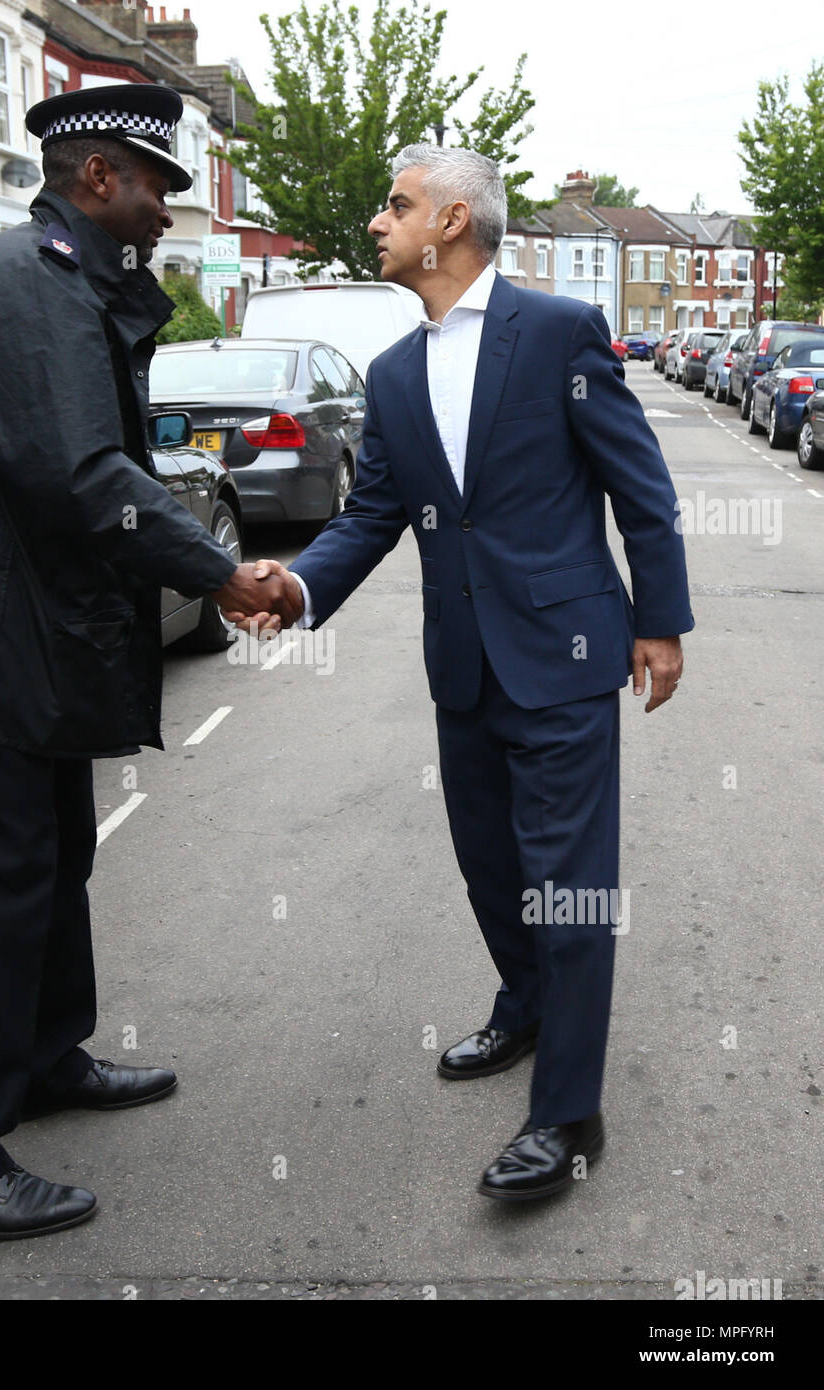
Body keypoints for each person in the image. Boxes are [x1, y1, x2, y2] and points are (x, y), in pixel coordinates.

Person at [0, 82, 293, 1240]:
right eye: (158, 185)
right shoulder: (31, 283)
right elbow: (80, 477)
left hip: (31, 642)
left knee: (56, 858)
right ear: (97, 179)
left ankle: (43, 1056)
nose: (171, 207)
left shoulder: (54, 278)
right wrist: (219, 570)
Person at [234, 145, 693, 1202]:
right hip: (465, 668)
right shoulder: (394, 374)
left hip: (570, 660)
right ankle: (525, 1004)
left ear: (447, 220)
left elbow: (642, 486)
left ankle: (570, 1114)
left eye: (395, 206)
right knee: (492, 868)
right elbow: (370, 515)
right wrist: (296, 589)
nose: (378, 222)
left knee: (569, 887)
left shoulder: (560, 332)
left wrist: (659, 621)